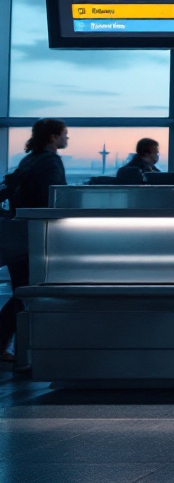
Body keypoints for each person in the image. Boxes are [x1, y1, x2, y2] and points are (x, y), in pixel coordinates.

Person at [1, 119, 69, 363]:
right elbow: (55, 197)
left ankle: (10, 347)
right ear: (52, 137)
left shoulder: (28, 160)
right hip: (38, 235)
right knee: (28, 292)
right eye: (64, 134)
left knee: (21, 291)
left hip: (19, 234)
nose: (67, 139)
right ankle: (23, 352)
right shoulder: (51, 161)